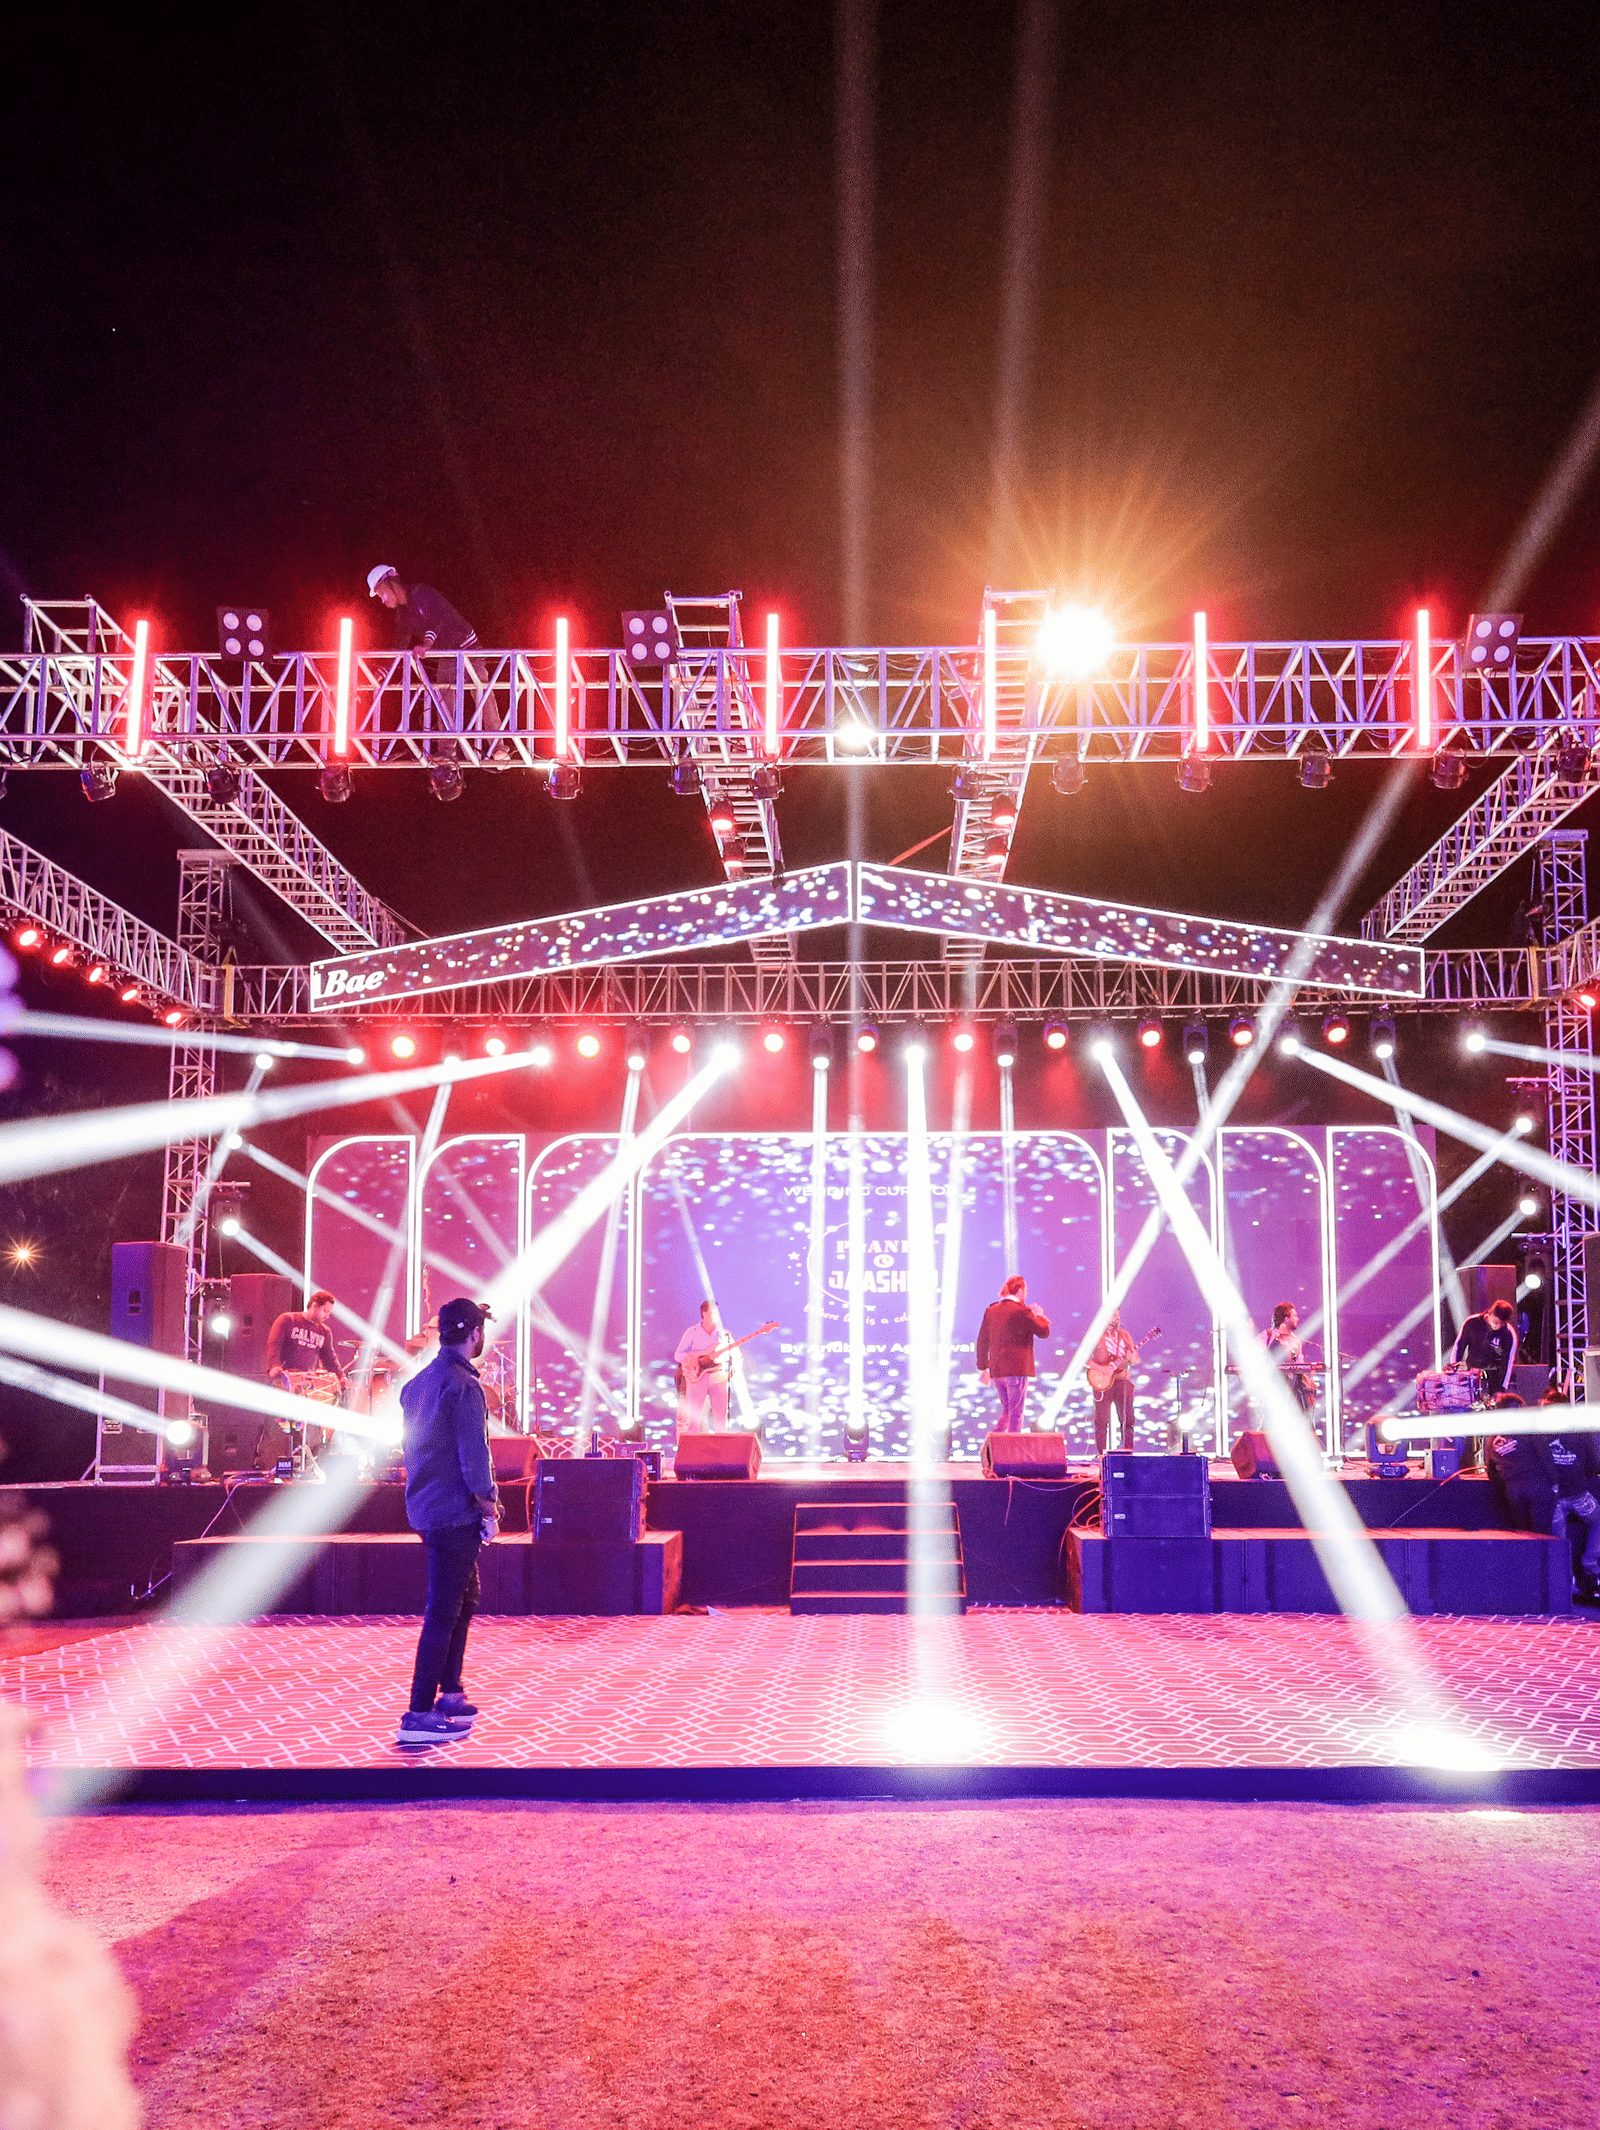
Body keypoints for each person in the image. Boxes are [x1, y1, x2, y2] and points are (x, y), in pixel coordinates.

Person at [397, 1297, 500, 1748]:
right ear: (475, 1334)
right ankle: (418, 1712)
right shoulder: (464, 1386)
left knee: (464, 1597)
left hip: (425, 1507)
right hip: (454, 1511)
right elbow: (474, 1456)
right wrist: (489, 1508)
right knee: (443, 1610)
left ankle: (451, 1692)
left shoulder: (417, 1383)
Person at [1486, 1393, 1600, 1586]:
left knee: (1552, 1541)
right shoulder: (1578, 1432)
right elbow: (1593, 1465)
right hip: (1572, 1493)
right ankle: (1589, 1564)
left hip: (1539, 1495)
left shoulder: (1512, 1433)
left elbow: (1493, 1471)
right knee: (1594, 1520)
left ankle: (1563, 1581)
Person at [975, 1274, 1051, 1432]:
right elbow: (1043, 1332)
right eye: (1026, 1290)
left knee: (1009, 1412)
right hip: (1016, 1371)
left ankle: (994, 1443)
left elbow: (982, 1341)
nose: (1027, 1294)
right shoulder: (1022, 1311)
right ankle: (1011, 1447)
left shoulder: (991, 1310)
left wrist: (983, 1368)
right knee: (1015, 1413)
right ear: (1020, 1290)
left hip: (997, 1371)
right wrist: (1039, 1315)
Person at [366, 565, 479, 652]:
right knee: (444, 677)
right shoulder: (403, 614)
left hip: (468, 647)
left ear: (392, 584)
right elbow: (399, 647)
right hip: (448, 653)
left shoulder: (420, 593)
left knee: (464, 676)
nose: (383, 600)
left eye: (382, 593)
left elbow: (436, 619)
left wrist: (426, 644)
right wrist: (382, 672)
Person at [264, 1290, 348, 1395]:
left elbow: (330, 1358)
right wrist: (275, 1365)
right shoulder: (288, 1319)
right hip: (284, 1379)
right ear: (314, 1306)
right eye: (325, 1311)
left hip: (307, 1381)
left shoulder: (325, 1332)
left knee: (310, 1398)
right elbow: (273, 1344)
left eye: (329, 1313)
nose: (327, 1316)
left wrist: (341, 1376)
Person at [675, 1300, 734, 1431]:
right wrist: (690, 1358)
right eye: (713, 1312)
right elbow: (678, 1355)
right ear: (704, 1313)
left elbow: (736, 1355)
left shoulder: (724, 1334)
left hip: (718, 1376)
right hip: (697, 1378)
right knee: (694, 1420)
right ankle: (693, 1444)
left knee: (721, 1420)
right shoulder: (692, 1332)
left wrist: (733, 1368)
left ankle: (721, 1443)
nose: (717, 1315)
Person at [1089, 1309, 1139, 1456]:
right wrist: (1102, 1369)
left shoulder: (1124, 1335)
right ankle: (1102, 1453)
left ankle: (1128, 1451)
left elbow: (1135, 1359)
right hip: (1103, 1382)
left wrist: (1131, 1358)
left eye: (1118, 1314)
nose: (1117, 1317)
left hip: (1122, 1380)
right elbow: (1085, 1359)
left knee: (1128, 1418)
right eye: (1113, 1314)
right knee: (1101, 1420)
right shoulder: (1096, 1335)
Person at [1453, 1298, 1518, 1396]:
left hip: (1494, 1379)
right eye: (1496, 1322)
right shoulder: (1472, 1322)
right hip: (1472, 1374)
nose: (1498, 1327)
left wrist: (1502, 1388)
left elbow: (1508, 1362)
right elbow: (1459, 1347)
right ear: (1490, 1313)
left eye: (1502, 1324)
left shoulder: (1508, 1333)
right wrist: (1453, 1368)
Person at [1261, 1301, 1316, 1414]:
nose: (1298, 1318)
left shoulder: (1295, 1339)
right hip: (1273, 1389)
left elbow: (1299, 1363)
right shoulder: (1267, 1335)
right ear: (1286, 1318)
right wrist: (1277, 1340)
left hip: (1293, 1391)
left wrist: (1309, 1368)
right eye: (1294, 1315)